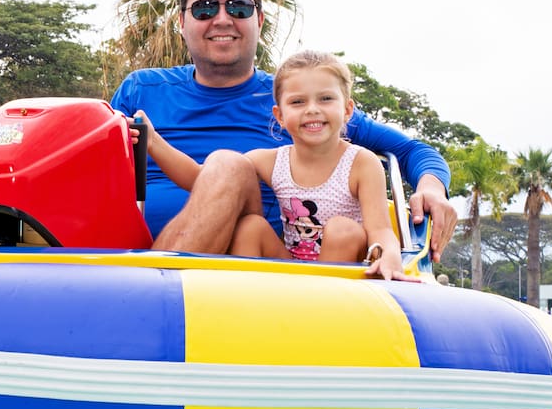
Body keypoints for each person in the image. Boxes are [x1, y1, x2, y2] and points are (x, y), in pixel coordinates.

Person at [110, 0, 458, 261]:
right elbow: (93, 167)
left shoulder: (294, 102)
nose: (221, 19)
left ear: (258, 21)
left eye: (238, 7)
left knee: (229, 165)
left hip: (257, 258)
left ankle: (152, 283)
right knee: (224, 165)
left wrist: (431, 188)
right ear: (182, 22)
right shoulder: (141, 90)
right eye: (204, 8)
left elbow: (414, 151)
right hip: (132, 247)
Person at [141, 50, 406, 280]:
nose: (312, 109)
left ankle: (322, 312)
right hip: (290, 265)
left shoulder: (361, 163)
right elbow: (201, 179)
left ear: (347, 110)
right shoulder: (274, 160)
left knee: (343, 230)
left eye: (326, 99)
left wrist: (391, 255)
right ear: (279, 115)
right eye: (298, 102)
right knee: (251, 227)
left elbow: (379, 227)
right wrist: (154, 142)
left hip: (341, 269)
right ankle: (244, 302)